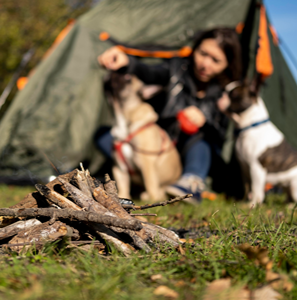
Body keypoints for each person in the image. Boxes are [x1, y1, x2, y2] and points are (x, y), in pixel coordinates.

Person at [97, 28, 242, 204]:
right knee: (104, 135)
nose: (205, 64)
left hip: (192, 152)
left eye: (215, 60)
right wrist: (128, 62)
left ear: (227, 64)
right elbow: (150, 72)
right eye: (202, 53)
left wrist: (205, 120)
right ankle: (142, 184)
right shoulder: (176, 67)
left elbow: (222, 138)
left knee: (201, 139)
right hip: (158, 149)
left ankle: (191, 181)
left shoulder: (226, 93)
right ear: (194, 49)